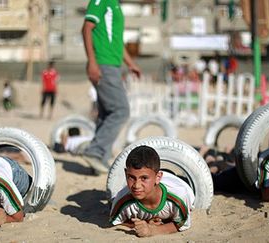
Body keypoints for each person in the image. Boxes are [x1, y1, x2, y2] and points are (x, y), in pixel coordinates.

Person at [81, 0, 141, 175]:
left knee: (107, 113)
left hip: (112, 65)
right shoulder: (102, 1)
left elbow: (117, 42)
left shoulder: (115, 5)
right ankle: (94, 152)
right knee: (120, 111)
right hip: (103, 64)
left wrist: (130, 64)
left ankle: (99, 159)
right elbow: (86, 28)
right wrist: (92, 62)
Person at [109, 145, 195, 237]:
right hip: (154, 178)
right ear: (126, 174)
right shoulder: (122, 199)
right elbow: (116, 221)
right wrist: (142, 224)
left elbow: (182, 223)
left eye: (144, 178)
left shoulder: (179, 196)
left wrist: (153, 230)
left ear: (158, 178)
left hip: (178, 180)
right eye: (131, 177)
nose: (136, 185)